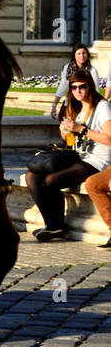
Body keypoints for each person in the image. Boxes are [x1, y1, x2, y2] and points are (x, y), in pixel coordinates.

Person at [27, 68, 110, 241]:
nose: (78, 91)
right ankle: (51, 224)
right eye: (73, 87)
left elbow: (109, 139)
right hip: (80, 157)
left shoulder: (103, 107)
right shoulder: (79, 110)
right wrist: (66, 133)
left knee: (51, 180)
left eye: (82, 86)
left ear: (90, 87)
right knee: (31, 176)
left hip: (98, 161)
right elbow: (73, 144)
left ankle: (57, 225)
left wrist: (82, 129)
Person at [52, 45, 103, 118]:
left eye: (84, 53)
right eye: (79, 53)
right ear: (74, 55)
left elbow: (96, 91)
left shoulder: (92, 70)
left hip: (85, 105)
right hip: (70, 104)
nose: (82, 56)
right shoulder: (68, 68)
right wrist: (54, 105)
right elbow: (62, 87)